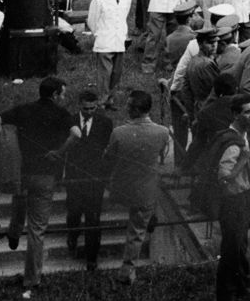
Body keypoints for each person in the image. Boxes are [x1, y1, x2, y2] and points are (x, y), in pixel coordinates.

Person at [0, 76, 76, 298]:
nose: (64, 97)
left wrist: (6, 143)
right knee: (37, 229)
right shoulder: (61, 114)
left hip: (22, 171)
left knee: (19, 201)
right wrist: (59, 152)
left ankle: (13, 231)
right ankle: (32, 279)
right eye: (63, 93)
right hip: (45, 175)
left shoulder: (24, 109)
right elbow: (76, 134)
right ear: (56, 94)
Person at [106, 89, 173, 283]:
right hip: (146, 189)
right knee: (137, 230)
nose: (126, 108)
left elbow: (108, 158)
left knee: (135, 228)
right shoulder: (162, 132)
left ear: (134, 109)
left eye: (128, 105)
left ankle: (127, 273)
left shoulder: (119, 133)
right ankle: (128, 270)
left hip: (122, 186)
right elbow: (162, 155)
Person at [213, 93, 250, 301]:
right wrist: (242, 162)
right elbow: (224, 179)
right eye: (247, 112)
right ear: (235, 114)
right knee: (232, 250)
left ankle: (242, 289)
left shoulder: (242, 135)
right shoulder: (233, 143)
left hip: (241, 198)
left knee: (240, 246)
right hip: (232, 200)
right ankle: (227, 298)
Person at [63, 86, 117, 271]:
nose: (89, 112)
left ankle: (91, 257)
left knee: (93, 217)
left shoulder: (105, 123)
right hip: (74, 177)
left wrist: (106, 174)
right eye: (85, 109)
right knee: (74, 211)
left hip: (95, 178)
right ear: (80, 106)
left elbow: (109, 150)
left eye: (92, 108)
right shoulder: (69, 121)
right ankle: (72, 235)